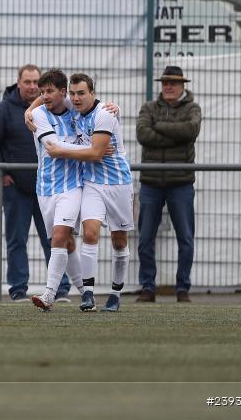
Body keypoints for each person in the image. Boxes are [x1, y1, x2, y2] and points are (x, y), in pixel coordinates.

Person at [0, 64, 71, 302]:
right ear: (18, 83)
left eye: (36, 83)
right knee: (16, 240)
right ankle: (18, 289)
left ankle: (60, 289)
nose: (33, 87)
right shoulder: (4, 109)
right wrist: (2, 175)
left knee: (55, 238)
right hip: (16, 189)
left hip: (49, 186)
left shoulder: (54, 106)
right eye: (28, 82)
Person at [45, 73, 134, 313]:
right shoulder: (74, 110)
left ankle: (115, 294)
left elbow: (95, 154)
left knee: (119, 240)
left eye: (81, 93)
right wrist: (27, 112)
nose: (75, 98)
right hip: (92, 182)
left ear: (92, 94)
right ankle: (89, 294)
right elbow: (47, 99)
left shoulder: (105, 114)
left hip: (118, 184)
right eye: (72, 93)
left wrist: (61, 151)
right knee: (90, 232)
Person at [136, 66, 201, 303]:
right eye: (165, 82)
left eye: (173, 82)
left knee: (185, 238)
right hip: (151, 182)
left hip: (181, 182)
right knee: (145, 239)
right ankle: (147, 287)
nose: (169, 86)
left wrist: (159, 128)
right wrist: (177, 136)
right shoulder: (148, 108)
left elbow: (191, 130)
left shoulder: (193, 108)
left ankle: (182, 288)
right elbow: (143, 134)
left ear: (183, 85)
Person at [26, 70, 86, 312]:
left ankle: (49, 294)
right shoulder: (38, 114)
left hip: (72, 185)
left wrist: (112, 107)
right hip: (45, 187)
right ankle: (86, 291)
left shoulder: (75, 107)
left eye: (50, 91)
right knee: (65, 242)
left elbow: (93, 105)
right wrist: (92, 148)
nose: (45, 96)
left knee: (60, 236)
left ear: (64, 92)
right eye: (42, 92)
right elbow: (53, 147)